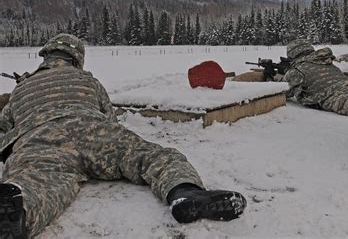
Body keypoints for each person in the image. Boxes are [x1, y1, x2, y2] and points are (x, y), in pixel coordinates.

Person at [0, 34, 246, 238]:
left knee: (40, 180)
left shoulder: (20, 89)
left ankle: (21, 208)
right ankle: (185, 193)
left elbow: (3, 129)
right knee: (152, 157)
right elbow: (109, 117)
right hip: (92, 129)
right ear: (77, 58)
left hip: (38, 136)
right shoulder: (87, 81)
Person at [283, 39, 348, 119]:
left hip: (332, 96)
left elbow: (283, 91)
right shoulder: (323, 59)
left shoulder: (296, 70)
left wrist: (281, 76)